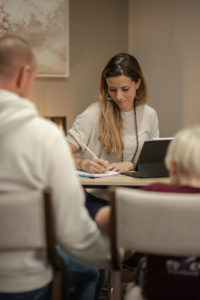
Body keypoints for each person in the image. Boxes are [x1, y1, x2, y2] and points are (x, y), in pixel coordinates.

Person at [0, 35, 110, 300]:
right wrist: (112, 251)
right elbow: (73, 233)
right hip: (24, 281)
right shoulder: (45, 137)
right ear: (24, 75)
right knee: (89, 270)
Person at [96, 124, 200, 300]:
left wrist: (129, 240)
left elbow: (102, 218)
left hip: (158, 291)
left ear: (172, 166)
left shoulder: (156, 191)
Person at [67, 52, 159, 218]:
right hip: (98, 199)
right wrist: (83, 163)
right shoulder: (93, 114)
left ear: (138, 83)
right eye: (112, 89)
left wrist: (130, 165)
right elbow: (58, 155)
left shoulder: (149, 115)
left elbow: (152, 163)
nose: (118, 96)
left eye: (125, 89)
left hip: (138, 198)